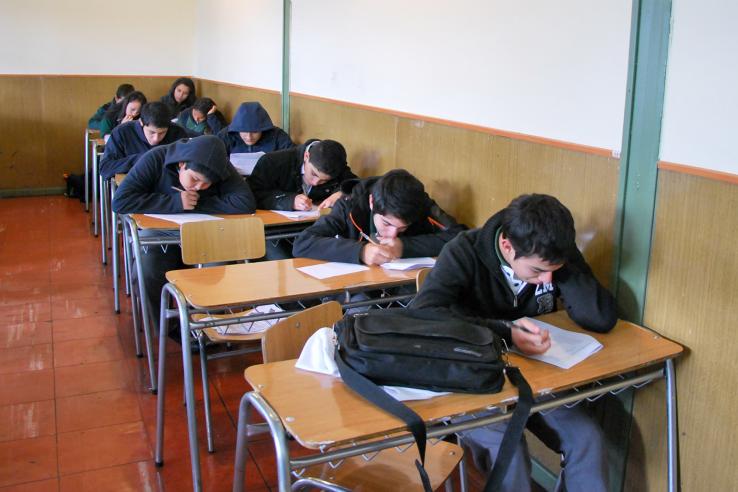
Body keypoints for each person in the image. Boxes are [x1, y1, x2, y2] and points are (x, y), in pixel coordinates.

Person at [411, 193, 617, 492]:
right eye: (537, 271)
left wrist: (565, 262)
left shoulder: (550, 252)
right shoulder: (465, 251)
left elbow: (600, 317)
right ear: (507, 246)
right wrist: (505, 332)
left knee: (587, 438)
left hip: (536, 376)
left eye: (553, 271)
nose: (548, 281)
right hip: (475, 377)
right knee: (509, 449)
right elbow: (424, 314)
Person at [112, 135, 256, 320]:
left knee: (217, 268)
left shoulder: (218, 165)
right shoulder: (156, 158)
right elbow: (121, 201)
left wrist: (196, 203)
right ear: (182, 164)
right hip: (159, 234)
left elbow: (245, 202)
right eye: (194, 179)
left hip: (205, 235)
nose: (199, 187)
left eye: (206, 184)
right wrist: (174, 202)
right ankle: (164, 327)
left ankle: (207, 327)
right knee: (147, 270)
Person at [293, 169, 465, 264]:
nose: (392, 235)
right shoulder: (349, 205)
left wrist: (404, 246)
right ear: (371, 202)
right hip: (355, 292)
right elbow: (303, 243)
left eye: (402, 228)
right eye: (386, 223)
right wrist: (360, 252)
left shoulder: (421, 204)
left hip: (401, 290)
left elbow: (461, 238)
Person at [249, 139, 356, 211]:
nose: (315, 183)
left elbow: (358, 185)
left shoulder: (335, 163)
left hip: (314, 229)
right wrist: (289, 201)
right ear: (306, 156)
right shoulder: (272, 162)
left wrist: (341, 193)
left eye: (324, 181)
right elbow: (253, 195)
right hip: (276, 231)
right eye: (313, 174)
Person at [99, 102, 193, 180]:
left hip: (167, 188)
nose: (156, 138)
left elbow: (189, 164)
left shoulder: (178, 133)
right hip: (134, 188)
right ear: (141, 123)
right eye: (152, 132)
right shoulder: (122, 132)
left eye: (162, 133)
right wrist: (143, 159)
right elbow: (105, 168)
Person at [217, 101, 293, 155]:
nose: (249, 137)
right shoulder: (225, 136)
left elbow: (292, 156)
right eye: (244, 132)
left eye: (255, 132)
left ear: (263, 129)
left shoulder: (278, 136)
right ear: (237, 129)